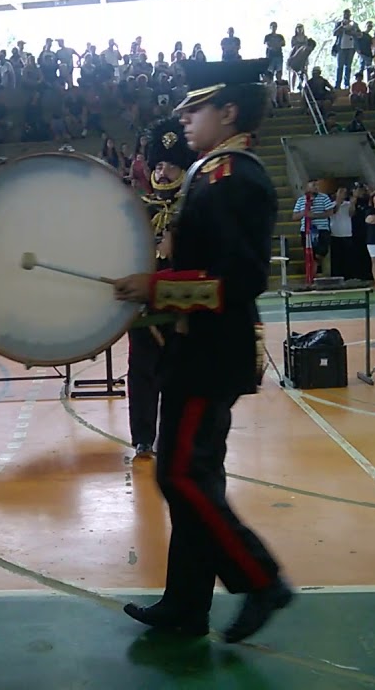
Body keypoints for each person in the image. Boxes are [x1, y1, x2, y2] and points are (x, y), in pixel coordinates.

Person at [113, 59, 293, 644]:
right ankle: (187, 604)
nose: (185, 117)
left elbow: (241, 279)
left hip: (211, 353)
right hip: (196, 349)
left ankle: (259, 578)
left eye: (197, 108)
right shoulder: (210, 173)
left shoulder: (234, 178)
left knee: (182, 474)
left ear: (230, 112)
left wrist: (159, 288)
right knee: (194, 473)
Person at [127, 116, 197, 459]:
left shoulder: (195, 207)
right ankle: (143, 435)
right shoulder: (138, 207)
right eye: (160, 163)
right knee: (141, 371)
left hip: (181, 306)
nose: (165, 170)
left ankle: (177, 433)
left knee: (180, 372)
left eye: (172, 164)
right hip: (144, 306)